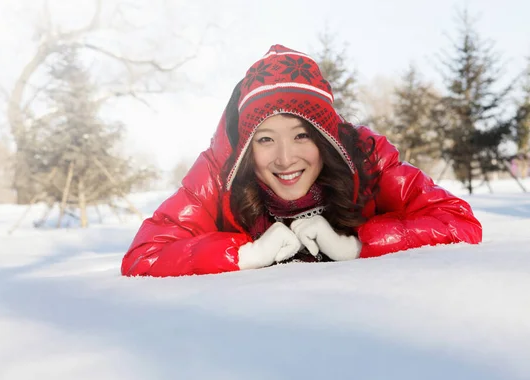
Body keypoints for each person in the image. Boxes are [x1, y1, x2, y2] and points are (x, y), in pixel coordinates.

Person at [121, 44, 482, 277]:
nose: (285, 158)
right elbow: (144, 255)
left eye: (301, 135)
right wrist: (243, 255)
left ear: (325, 137)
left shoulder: (368, 158)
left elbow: (458, 222)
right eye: (264, 139)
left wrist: (359, 244)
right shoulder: (218, 172)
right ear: (247, 145)